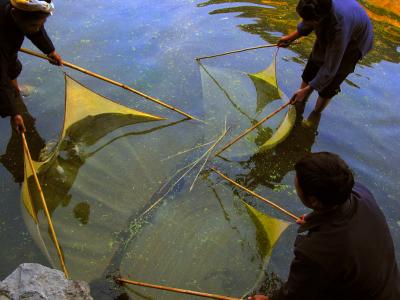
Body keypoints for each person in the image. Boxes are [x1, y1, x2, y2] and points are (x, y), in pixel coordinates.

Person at [249, 152, 400, 300]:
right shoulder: (360, 193)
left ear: (314, 200)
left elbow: (296, 294)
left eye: (298, 184)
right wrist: (314, 218)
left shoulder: (315, 251)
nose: (295, 182)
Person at [278, 0, 373, 113]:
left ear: (319, 19)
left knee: (331, 81)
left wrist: (308, 90)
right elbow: (308, 20)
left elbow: (330, 67)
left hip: (354, 43)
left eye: (310, 21)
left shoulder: (339, 28)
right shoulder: (315, 5)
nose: (305, 22)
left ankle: (315, 114)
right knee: (313, 65)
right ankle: (300, 102)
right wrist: (291, 37)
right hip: (336, 20)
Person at [0, 0, 62, 133]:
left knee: (14, 66)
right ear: (15, 15)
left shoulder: (23, 16)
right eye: (34, 25)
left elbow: (36, 29)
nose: (37, 28)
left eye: (42, 24)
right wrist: (13, 113)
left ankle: (15, 89)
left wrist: (49, 50)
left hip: (8, 40)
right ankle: (11, 97)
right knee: (5, 70)